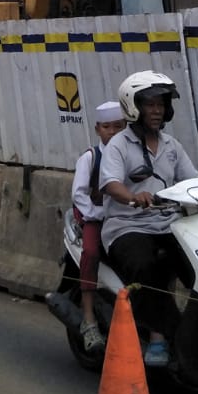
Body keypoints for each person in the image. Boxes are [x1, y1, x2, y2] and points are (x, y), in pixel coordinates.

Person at [99, 70, 198, 368]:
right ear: (134, 107)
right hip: (127, 227)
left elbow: (193, 179)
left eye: (161, 104)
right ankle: (160, 338)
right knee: (148, 267)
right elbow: (111, 184)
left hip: (168, 224)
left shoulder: (171, 146)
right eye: (150, 104)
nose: (157, 110)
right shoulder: (118, 145)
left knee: (196, 265)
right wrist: (134, 197)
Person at [48, 100, 126, 352]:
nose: (112, 131)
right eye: (107, 127)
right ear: (97, 129)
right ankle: (90, 319)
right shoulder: (91, 157)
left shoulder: (132, 154)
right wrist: (97, 213)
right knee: (91, 253)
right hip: (97, 219)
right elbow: (79, 194)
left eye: (118, 126)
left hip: (127, 219)